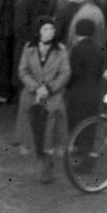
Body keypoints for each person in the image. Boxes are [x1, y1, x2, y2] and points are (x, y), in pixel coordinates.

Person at [18, 17, 70, 183]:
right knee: (35, 133)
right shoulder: (29, 48)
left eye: (52, 29)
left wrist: (49, 88)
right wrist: (35, 87)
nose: (50, 32)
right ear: (38, 31)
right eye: (46, 29)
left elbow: (65, 73)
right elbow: (23, 70)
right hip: (32, 97)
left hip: (52, 98)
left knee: (50, 132)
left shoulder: (61, 50)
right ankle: (42, 162)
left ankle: (46, 166)